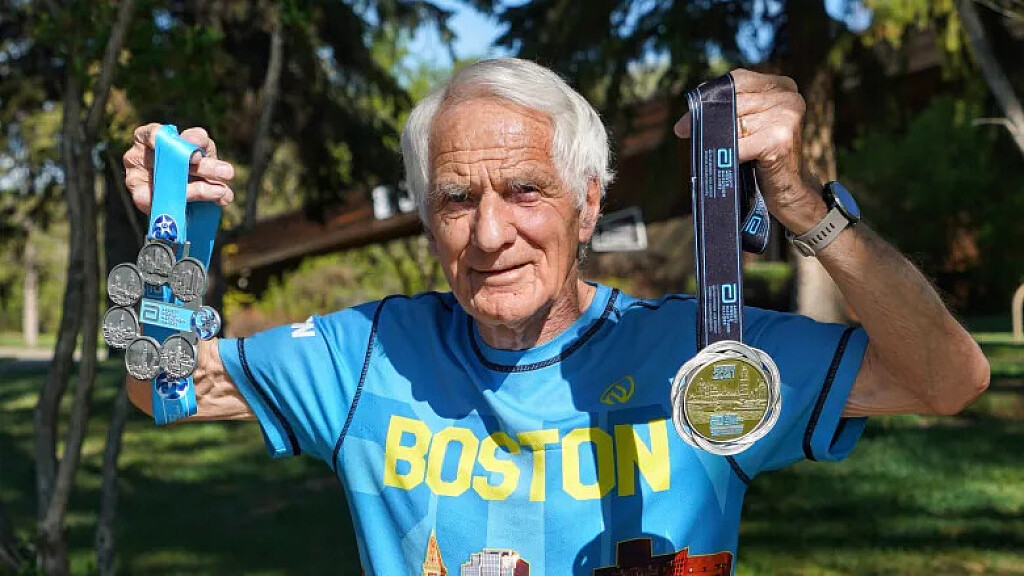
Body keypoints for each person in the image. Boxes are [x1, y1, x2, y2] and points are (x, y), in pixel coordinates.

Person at [122, 58, 989, 574]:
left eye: (525, 190)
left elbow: (947, 380)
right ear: (426, 219)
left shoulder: (702, 353)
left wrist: (801, 206)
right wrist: (176, 233)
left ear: (588, 204)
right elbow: (159, 389)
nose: (490, 234)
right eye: (456, 199)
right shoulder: (369, 353)